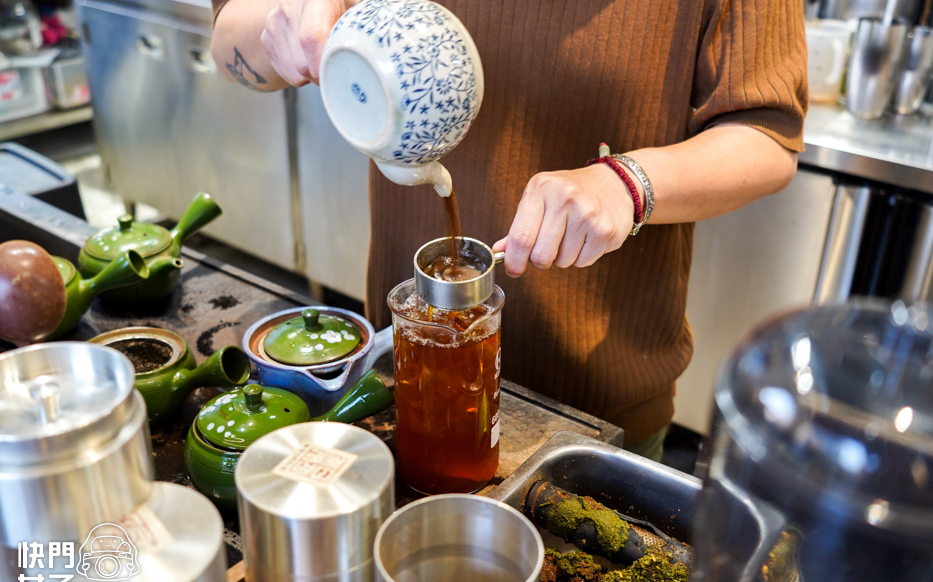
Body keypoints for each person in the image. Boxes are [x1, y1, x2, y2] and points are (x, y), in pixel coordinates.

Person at [209, 0, 807, 461]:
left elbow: (767, 133)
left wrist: (629, 184)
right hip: (403, 377)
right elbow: (230, 36)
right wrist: (287, 28)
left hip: (597, 403)